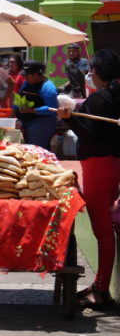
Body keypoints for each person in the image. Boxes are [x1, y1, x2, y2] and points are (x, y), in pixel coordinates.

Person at [57, 50, 120, 310]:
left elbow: (90, 136)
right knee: (105, 230)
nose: (89, 73)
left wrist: (69, 120)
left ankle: (102, 290)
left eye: (92, 69)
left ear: (99, 71)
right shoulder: (115, 95)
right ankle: (100, 284)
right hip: (113, 165)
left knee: (102, 231)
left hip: (98, 167)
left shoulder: (99, 100)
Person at [13, 60, 58, 150]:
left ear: (36, 74)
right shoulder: (26, 83)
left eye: (27, 75)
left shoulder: (48, 88)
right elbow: (18, 98)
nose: (24, 77)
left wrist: (32, 110)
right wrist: (11, 115)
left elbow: (52, 108)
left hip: (42, 122)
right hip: (24, 120)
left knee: (34, 149)